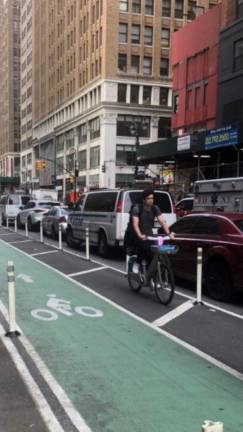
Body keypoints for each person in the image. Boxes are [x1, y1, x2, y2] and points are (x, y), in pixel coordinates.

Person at [132, 189, 174, 271]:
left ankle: (150, 274)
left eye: (152, 198)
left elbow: (162, 221)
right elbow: (135, 223)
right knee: (144, 248)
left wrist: (169, 234)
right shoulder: (137, 208)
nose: (151, 200)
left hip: (149, 235)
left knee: (153, 252)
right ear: (143, 200)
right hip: (138, 234)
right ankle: (137, 262)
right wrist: (139, 234)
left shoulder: (155, 208)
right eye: (149, 198)